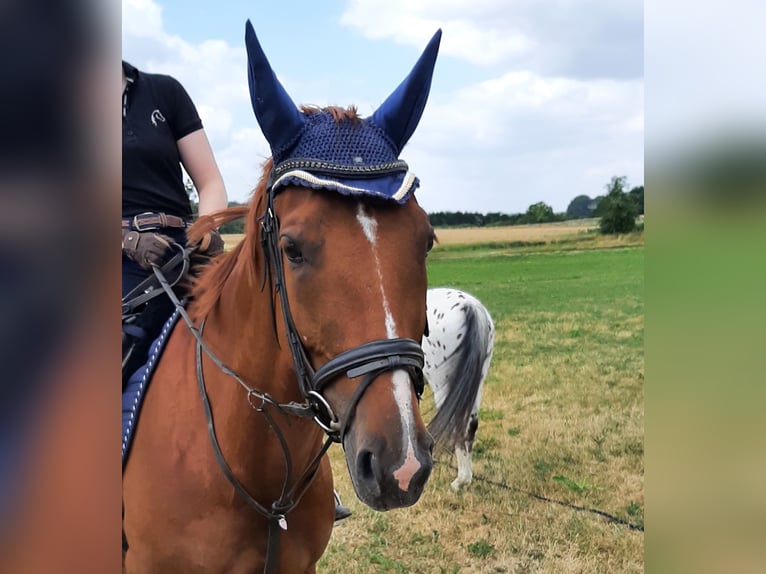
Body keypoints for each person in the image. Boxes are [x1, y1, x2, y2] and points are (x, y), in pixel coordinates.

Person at [121, 60, 227, 382]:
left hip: (184, 250)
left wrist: (205, 231)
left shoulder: (164, 92)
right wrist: (127, 240)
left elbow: (210, 183)